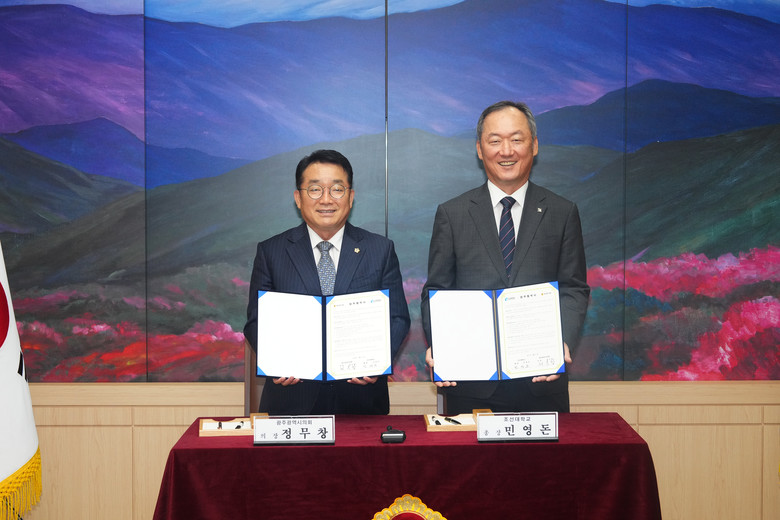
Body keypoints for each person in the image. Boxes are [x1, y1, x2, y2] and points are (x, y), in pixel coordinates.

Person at [420, 101, 590, 414]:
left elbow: (573, 287)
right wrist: (441, 343)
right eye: (495, 141)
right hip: (470, 384)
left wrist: (561, 341)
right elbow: (437, 291)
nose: (506, 151)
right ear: (479, 149)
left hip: (542, 382)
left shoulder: (562, 212)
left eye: (517, 139)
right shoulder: (453, 214)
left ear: (534, 145)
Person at [244, 149, 410, 415]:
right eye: (314, 189)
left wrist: (376, 362)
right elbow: (256, 322)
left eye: (337, 189)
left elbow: (398, 318)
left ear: (351, 197)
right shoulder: (271, 252)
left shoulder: (379, 249)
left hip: (360, 400)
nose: (326, 199)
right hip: (292, 400)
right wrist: (275, 362)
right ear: (298, 198)